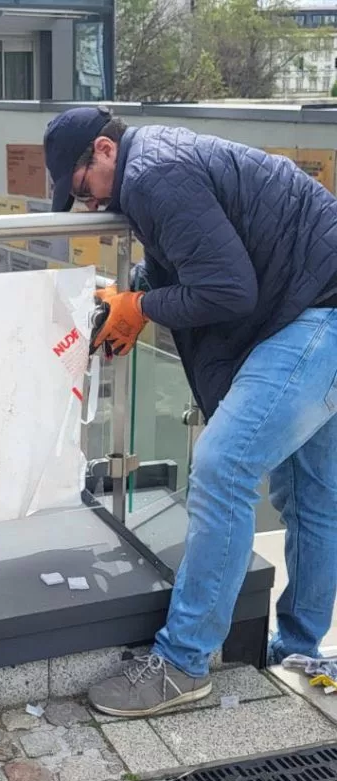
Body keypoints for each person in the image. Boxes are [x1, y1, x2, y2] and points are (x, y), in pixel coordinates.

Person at [44, 105, 337, 718]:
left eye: (83, 186)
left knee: (223, 467)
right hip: (315, 298)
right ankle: (300, 649)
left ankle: (183, 662)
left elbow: (227, 290)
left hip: (316, 314)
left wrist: (141, 306)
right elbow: (198, 253)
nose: (90, 203)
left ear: (104, 150)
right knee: (310, 493)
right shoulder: (157, 159)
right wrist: (133, 291)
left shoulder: (151, 175)